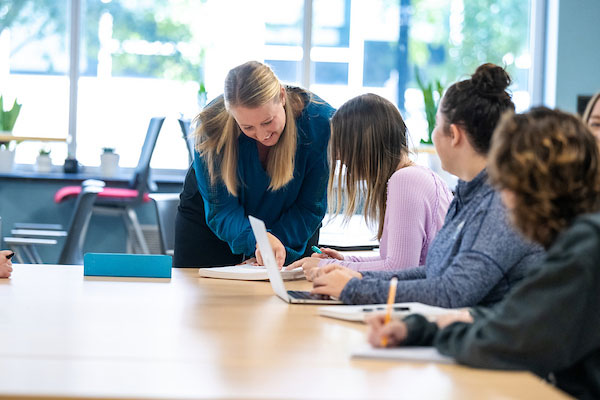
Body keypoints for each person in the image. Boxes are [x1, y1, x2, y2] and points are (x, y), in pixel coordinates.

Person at [367, 107, 600, 400]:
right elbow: (518, 317)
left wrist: (441, 331)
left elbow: (508, 341)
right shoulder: (571, 240)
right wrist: (420, 329)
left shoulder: (586, 245)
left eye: (503, 182)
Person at [308, 63, 543, 307]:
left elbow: (451, 292)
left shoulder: (498, 202)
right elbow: (432, 272)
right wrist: (354, 275)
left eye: (437, 126)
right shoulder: (469, 195)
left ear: (455, 134)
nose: (432, 136)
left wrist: (353, 286)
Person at [174, 61, 335, 268]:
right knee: (206, 294)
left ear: (282, 96)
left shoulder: (320, 123)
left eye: (268, 121)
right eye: (247, 127)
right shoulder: (211, 126)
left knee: (287, 295)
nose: (262, 135)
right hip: (214, 222)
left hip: (294, 223)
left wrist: (275, 243)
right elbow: (221, 208)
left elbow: (309, 206)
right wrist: (258, 241)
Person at [288, 94, 452, 274]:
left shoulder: (405, 180)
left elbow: (399, 269)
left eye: (342, 145)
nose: (338, 157)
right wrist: (345, 260)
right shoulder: (417, 176)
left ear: (361, 144)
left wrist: (324, 266)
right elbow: (392, 260)